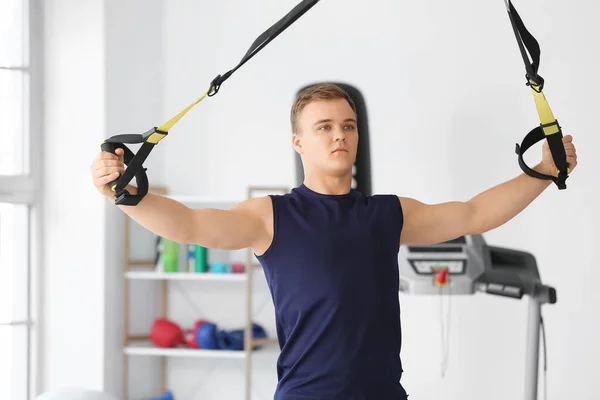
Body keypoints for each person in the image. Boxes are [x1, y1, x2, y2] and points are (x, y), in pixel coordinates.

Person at [90, 83, 578, 400]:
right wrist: (126, 196)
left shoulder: (388, 214)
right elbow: (191, 226)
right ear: (299, 142)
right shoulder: (271, 216)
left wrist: (542, 172)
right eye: (323, 127)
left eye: (347, 126)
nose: (339, 135)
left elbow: (472, 213)